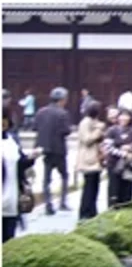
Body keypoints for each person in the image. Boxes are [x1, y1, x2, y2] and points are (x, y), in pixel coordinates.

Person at [34, 87, 71, 215]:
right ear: (62, 100)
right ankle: (62, 202)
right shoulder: (62, 113)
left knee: (46, 179)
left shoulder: (41, 112)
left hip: (46, 149)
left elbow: (35, 128)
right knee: (64, 176)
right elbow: (66, 131)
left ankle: (48, 204)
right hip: (59, 149)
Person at [2, 110, 37, 242]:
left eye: (4, 118)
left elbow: (19, 164)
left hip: (11, 199)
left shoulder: (11, 141)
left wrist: (31, 158)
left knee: (8, 239)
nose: (3, 122)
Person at [104, 109, 132, 208]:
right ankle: (112, 209)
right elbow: (107, 147)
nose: (124, 118)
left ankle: (126, 208)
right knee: (114, 188)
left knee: (127, 189)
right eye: (122, 115)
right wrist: (122, 153)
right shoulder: (112, 130)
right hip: (114, 163)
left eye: (127, 116)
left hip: (129, 165)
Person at [76, 102, 106, 220]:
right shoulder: (85, 122)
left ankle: (92, 210)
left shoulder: (95, 122)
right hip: (88, 158)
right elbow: (86, 139)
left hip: (96, 157)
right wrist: (98, 130)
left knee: (95, 186)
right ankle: (85, 212)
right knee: (88, 186)